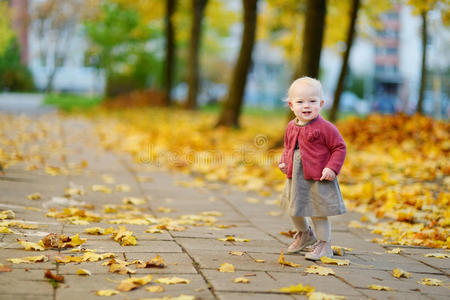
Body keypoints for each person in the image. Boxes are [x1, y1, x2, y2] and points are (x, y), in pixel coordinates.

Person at [279, 76, 346, 260]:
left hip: (319, 177)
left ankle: (324, 245)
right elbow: (288, 147)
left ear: (321, 103)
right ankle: (305, 234)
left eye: (312, 101)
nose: (306, 106)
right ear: (292, 105)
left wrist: (332, 168)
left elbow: (339, 147)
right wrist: (284, 161)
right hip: (296, 176)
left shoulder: (326, 128)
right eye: (300, 102)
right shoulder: (291, 126)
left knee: (318, 211)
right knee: (294, 208)